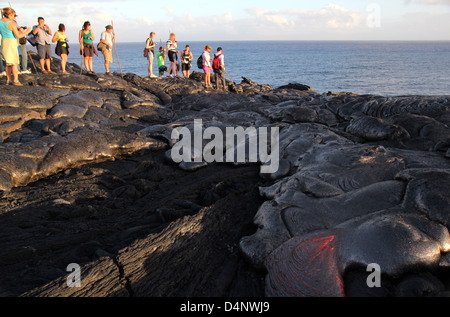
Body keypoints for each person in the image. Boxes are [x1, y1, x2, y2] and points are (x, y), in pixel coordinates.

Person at [0, 7, 31, 85]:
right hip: (11, 43)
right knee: (14, 63)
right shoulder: (11, 24)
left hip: (4, 42)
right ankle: (15, 80)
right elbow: (18, 36)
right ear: (9, 15)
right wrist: (27, 32)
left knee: (8, 63)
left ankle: (8, 80)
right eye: (13, 15)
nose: (14, 17)